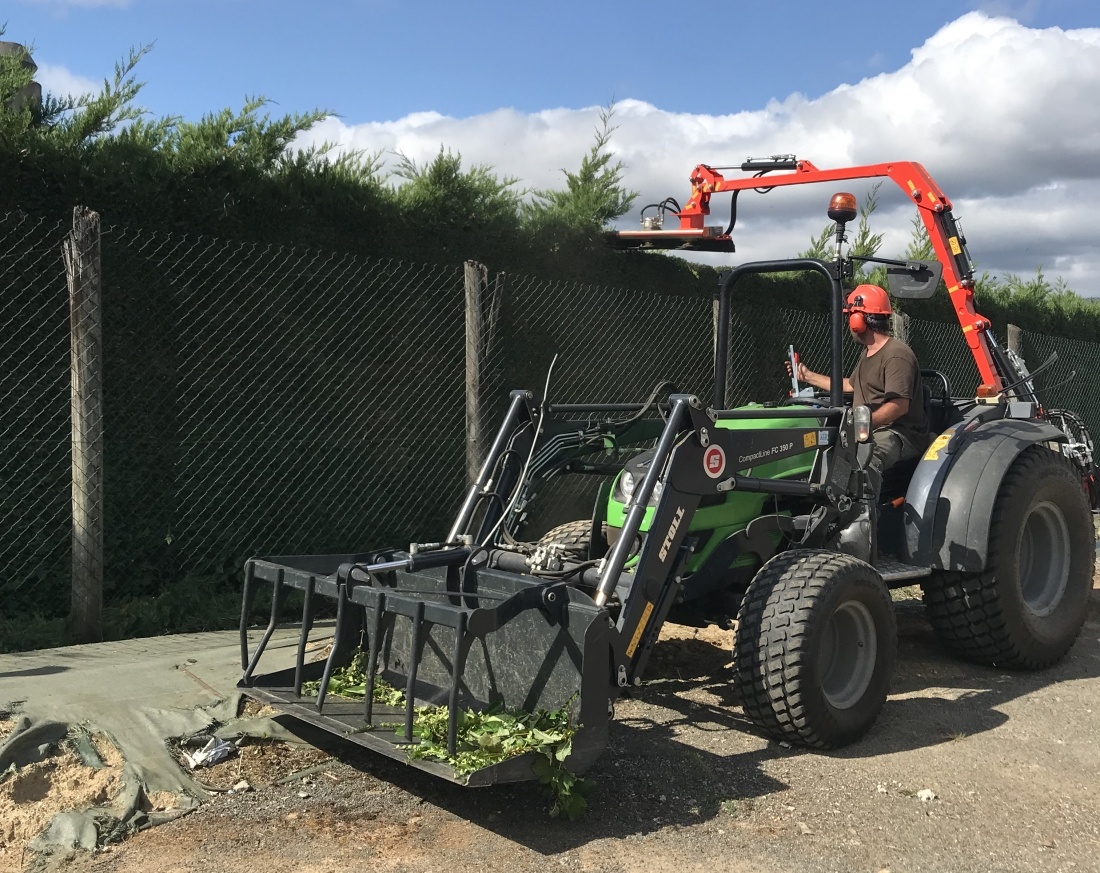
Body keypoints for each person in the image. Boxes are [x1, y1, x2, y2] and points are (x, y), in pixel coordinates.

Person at [788, 284, 929, 495]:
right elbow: (850, 386)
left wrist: (863, 425)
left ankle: (863, 519)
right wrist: (807, 376)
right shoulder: (868, 353)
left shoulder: (896, 354)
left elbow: (899, 405)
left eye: (850, 317)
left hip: (899, 433)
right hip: (869, 429)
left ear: (859, 321)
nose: (848, 323)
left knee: (865, 457)